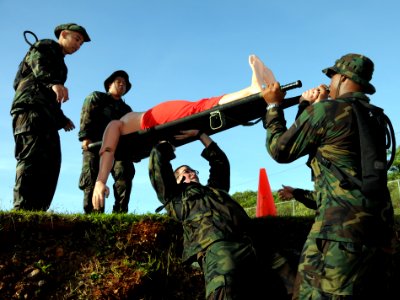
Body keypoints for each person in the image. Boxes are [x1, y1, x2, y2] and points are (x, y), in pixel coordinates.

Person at [261, 53, 394, 299]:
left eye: (332, 77)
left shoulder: (328, 110)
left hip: (337, 235)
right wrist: (308, 107)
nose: (329, 83)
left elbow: (281, 149)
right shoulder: (374, 116)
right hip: (377, 231)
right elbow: (343, 180)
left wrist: (273, 106)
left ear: (342, 78)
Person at [92, 54, 276, 208]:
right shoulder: (131, 144)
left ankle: (252, 89)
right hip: (158, 116)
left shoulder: (115, 125)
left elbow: (107, 151)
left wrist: (101, 181)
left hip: (154, 118)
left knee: (201, 108)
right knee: (202, 106)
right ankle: (263, 85)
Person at [145, 129, 287, 299]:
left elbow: (220, 161)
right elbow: (158, 167)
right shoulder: (174, 197)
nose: (191, 173)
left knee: (294, 273)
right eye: (185, 172)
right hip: (218, 246)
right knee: (224, 289)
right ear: (176, 180)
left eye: (192, 170)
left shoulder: (215, 188)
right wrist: (165, 144)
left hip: (251, 242)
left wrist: (200, 135)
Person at [11, 23, 91, 211]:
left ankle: (38, 211)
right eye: (77, 39)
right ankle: (21, 210)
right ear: (63, 34)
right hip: (30, 110)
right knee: (30, 158)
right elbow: (39, 65)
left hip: (47, 117)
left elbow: (52, 98)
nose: (78, 45)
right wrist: (52, 81)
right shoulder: (44, 46)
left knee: (51, 163)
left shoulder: (61, 65)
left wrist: (61, 118)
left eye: (81, 44)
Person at [78, 70, 136, 213]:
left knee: (125, 174)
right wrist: (85, 136)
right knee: (91, 179)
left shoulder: (127, 109)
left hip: (119, 149)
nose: (122, 85)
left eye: (125, 84)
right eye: (119, 82)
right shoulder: (97, 97)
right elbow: (87, 114)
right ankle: (93, 215)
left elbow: (131, 130)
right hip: (95, 145)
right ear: (110, 84)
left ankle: (120, 213)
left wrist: (135, 151)